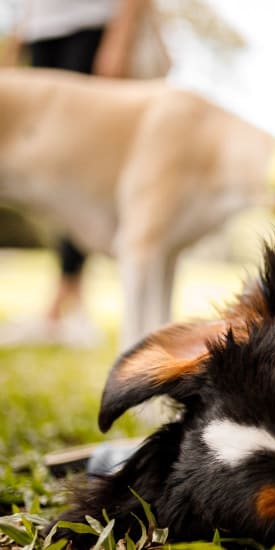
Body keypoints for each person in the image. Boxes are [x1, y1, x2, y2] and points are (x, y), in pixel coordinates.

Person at [2, 0, 162, 346]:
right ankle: (59, 305)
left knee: (78, 171)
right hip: (42, 29)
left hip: (91, 25)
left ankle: (70, 302)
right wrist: (20, 32)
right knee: (49, 171)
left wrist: (120, 38)